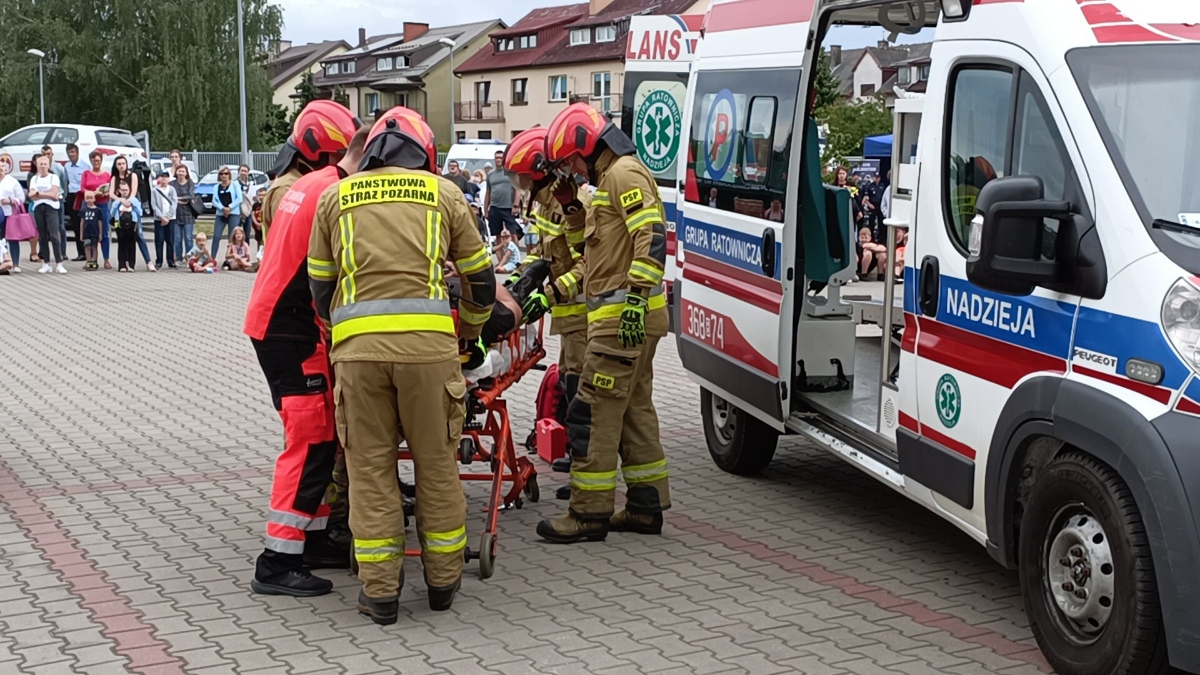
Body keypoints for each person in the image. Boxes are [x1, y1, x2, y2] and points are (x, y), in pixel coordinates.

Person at [309, 107, 494, 623]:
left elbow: (320, 288)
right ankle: (442, 583)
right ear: (423, 152)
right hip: (430, 356)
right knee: (436, 466)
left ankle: (381, 593)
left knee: (369, 471)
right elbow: (480, 280)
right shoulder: (444, 194)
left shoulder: (335, 198)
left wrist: (343, 334)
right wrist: (472, 331)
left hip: (358, 359)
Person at [538, 103, 671, 543]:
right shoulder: (611, 180)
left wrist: (635, 299)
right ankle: (644, 506)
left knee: (591, 412)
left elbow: (650, 237)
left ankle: (588, 513)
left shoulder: (623, 175)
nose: (573, 171)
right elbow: (592, 254)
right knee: (634, 413)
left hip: (622, 322)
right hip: (629, 321)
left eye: (573, 162)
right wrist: (572, 208)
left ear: (587, 148)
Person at [245, 113, 363, 599]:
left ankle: (310, 543)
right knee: (311, 438)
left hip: (278, 323)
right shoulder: (331, 195)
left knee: (320, 434)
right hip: (290, 329)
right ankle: (276, 561)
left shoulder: (310, 184)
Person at [502, 126, 591, 481]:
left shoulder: (575, 205)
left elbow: (589, 263)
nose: (520, 185)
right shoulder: (545, 205)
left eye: (522, 177)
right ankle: (577, 452)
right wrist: (519, 278)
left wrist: (550, 294)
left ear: (539, 172)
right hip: (568, 319)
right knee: (570, 382)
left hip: (585, 313)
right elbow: (543, 253)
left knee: (584, 389)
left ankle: (589, 465)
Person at [263, 100, 360, 241]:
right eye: (340, 155)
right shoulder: (286, 189)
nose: (344, 162)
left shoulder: (301, 184)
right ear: (315, 153)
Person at [110, 157, 153, 271]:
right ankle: (122, 264)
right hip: (119, 209)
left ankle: (148, 261)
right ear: (116, 165)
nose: (121, 166)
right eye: (119, 164)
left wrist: (129, 201)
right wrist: (120, 200)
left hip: (132, 209)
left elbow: (134, 191)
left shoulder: (133, 175)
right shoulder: (114, 178)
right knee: (121, 238)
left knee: (138, 235)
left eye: (123, 163)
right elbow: (111, 193)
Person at [29, 155, 67, 274]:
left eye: (45, 164)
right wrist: (46, 194)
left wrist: (39, 193)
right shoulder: (34, 179)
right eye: (41, 164)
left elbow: (54, 194)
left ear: (49, 165)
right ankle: (46, 263)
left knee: (54, 236)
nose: (43, 166)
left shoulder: (53, 177)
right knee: (43, 236)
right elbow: (31, 195)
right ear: (37, 165)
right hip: (38, 208)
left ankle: (59, 263)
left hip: (52, 209)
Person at [81, 151, 113, 268]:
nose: (96, 162)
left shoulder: (106, 175)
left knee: (103, 233)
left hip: (102, 204)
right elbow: (83, 188)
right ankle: (91, 260)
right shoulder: (86, 174)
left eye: (98, 160)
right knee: (89, 233)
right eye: (94, 160)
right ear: (91, 161)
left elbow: (111, 189)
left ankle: (106, 259)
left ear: (101, 161)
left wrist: (103, 193)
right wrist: (92, 194)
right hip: (89, 205)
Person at [485, 149, 521, 239]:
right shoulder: (490, 174)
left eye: (500, 158)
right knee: (497, 234)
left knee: (513, 233)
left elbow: (518, 189)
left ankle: (515, 252)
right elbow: (488, 193)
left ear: (504, 159)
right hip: (495, 207)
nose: (498, 160)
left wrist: (516, 205)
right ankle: (499, 253)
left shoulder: (511, 173)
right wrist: (485, 210)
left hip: (508, 208)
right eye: (496, 158)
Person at [0, 154, 27, 273]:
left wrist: (10, 201)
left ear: (6, 169)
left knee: (12, 239)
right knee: (1, 240)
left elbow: (21, 198)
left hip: (9, 214)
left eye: (2, 169)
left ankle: (15, 263)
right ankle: (3, 262)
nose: (0, 171)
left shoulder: (12, 181)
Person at [211, 167, 242, 259]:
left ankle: (231, 258)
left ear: (229, 175)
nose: (224, 175)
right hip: (220, 214)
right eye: (221, 174)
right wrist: (222, 208)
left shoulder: (235, 184)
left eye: (226, 173)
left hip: (234, 213)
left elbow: (239, 198)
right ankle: (212, 258)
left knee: (232, 237)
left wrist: (230, 207)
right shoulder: (216, 187)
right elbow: (214, 201)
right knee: (216, 236)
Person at [110, 183, 143, 272]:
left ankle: (131, 265)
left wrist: (133, 205)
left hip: (132, 223)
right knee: (121, 244)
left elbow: (140, 212)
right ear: (119, 191)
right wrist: (118, 203)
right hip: (119, 223)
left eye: (126, 190)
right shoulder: (116, 201)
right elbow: (112, 213)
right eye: (122, 190)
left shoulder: (134, 200)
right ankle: (122, 265)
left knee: (131, 244)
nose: (124, 192)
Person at [64, 144, 88, 261]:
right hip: (71, 196)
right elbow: (66, 181)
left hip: (82, 196)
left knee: (84, 225)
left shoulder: (85, 166)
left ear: (77, 152)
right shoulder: (67, 166)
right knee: (75, 225)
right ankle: (80, 252)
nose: (71, 154)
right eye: (69, 152)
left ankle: (87, 252)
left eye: (73, 152)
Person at [151, 171, 178, 269]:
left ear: (169, 179)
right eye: (162, 177)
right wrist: (161, 217)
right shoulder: (155, 190)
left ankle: (170, 260)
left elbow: (174, 203)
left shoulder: (172, 189)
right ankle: (159, 261)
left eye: (166, 177)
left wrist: (168, 217)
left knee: (170, 240)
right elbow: (154, 205)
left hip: (171, 218)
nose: (164, 179)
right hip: (159, 219)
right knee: (159, 240)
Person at [170, 165, 196, 263]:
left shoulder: (190, 183)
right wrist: (180, 200)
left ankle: (190, 258)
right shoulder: (172, 184)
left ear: (186, 173)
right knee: (177, 238)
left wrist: (178, 199)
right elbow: (170, 196)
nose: (180, 173)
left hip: (188, 214)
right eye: (179, 171)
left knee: (188, 238)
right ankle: (179, 258)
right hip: (176, 214)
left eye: (183, 171)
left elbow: (191, 196)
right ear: (176, 172)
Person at [79, 193, 102, 270]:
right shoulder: (83, 210)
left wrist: (100, 233)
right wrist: (81, 233)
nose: (89, 200)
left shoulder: (98, 210)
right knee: (87, 247)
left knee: (94, 247)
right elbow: (82, 222)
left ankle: (94, 263)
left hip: (94, 232)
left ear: (94, 199)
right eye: (87, 198)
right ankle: (88, 262)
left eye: (91, 198)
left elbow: (100, 222)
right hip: (86, 233)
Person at [237, 165, 255, 249]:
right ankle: (236, 254)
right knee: (237, 234)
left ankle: (246, 254)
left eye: (245, 171)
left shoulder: (251, 185)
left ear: (248, 173)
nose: (243, 173)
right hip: (237, 213)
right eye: (242, 170)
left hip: (248, 213)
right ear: (239, 172)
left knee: (247, 234)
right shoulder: (235, 184)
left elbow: (253, 198)